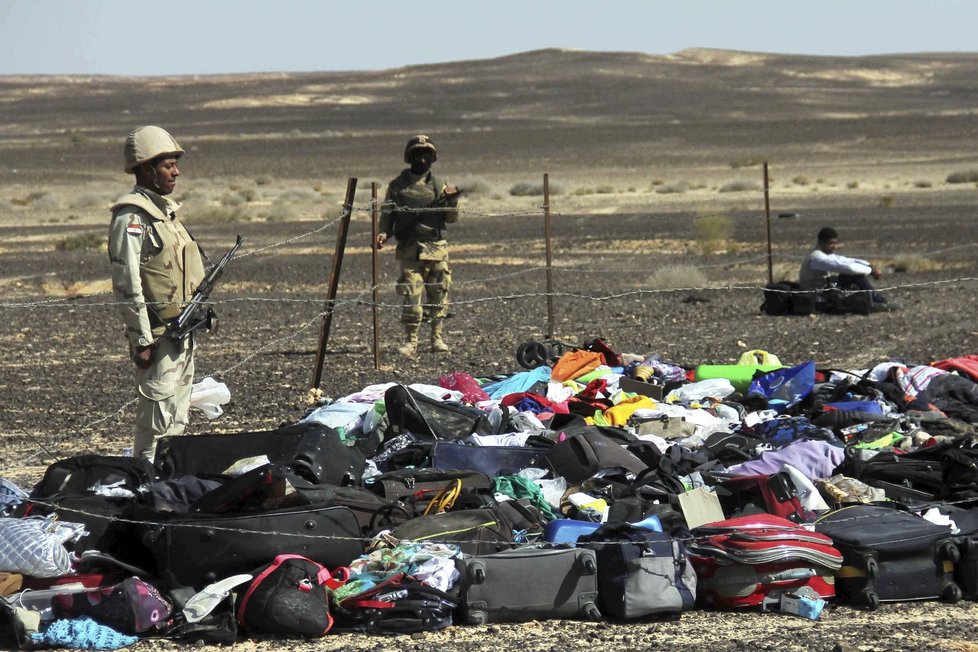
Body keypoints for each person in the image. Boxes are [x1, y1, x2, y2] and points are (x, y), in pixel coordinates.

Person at [108, 126, 205, 459]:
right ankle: (146, 487)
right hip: (158, 337)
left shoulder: (167, 213)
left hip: (183, 333)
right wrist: (142, 339)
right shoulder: (132, 216)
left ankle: (167, 487)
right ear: (146, 168)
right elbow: (127, 282)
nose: (175, 171)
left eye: (176, 164)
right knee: (155, 424)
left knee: (177, 420)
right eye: (167, 165)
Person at [376, 135, 461, 356]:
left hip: (436, 248)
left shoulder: (440, 185)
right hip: (409, 249)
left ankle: (437, 338)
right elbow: (387, 214)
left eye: (426, 154)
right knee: (411, 295)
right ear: (410, 157)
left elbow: (450, 219)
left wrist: (452, 200)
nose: (422, 158)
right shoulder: (397, 187)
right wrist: (383, 233)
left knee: (438, 294)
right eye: (417, 154)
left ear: (432, 158)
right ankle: (411, 341)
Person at [799, 226, 897, 312]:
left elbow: (846, 260)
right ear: (821, 242)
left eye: (835, 243)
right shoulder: (817, 258)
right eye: (831, 243)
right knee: (854, 275)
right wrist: (871, 271)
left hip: (824, 288)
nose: (834, 247)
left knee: (850, 276)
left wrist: (870, 266)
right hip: (815, 294)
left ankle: (874, 300)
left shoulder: (824, 254)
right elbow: (847, 268)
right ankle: (879, 301)